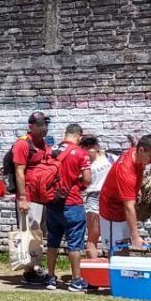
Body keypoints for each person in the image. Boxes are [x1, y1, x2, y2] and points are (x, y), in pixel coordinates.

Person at [46, 124, 92, 292]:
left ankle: (50, 278)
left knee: (52, 241)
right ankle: (76, 280)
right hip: (72, 202)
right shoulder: (81, 153)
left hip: (52, 202)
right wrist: (79, 182)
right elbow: (87, 179)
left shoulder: (51, 150)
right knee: (74, 243)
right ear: (79, 136)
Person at [98, 135, 151, 252]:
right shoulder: (126, 171)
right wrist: (135, 237)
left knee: (124, 249)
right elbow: (129, 206)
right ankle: (115, 270)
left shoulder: (137, 155)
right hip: (112, 212)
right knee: (116, 251)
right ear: (141, 150)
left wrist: (137, 190)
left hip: (123, 211)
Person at [12, 111, 53, 285]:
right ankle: (28, 272)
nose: (45, 128)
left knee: (39, 234)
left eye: (46, 124)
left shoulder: (42, 143)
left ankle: (36, 267)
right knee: (29, 233)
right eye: (41, 125)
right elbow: (19, 172)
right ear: (31, 126)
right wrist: (22, 198)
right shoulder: (22, 144)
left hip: (41, 196)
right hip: (28, 196)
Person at [79, 135, 113, 259]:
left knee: (110, 235)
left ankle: (111, 267)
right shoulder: (82, 162)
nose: (90, 149)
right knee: (94, 235)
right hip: (93, 196)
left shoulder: (107, 157)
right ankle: (93, 268)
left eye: (92, 145)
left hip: (109, 196)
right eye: (86, 146)